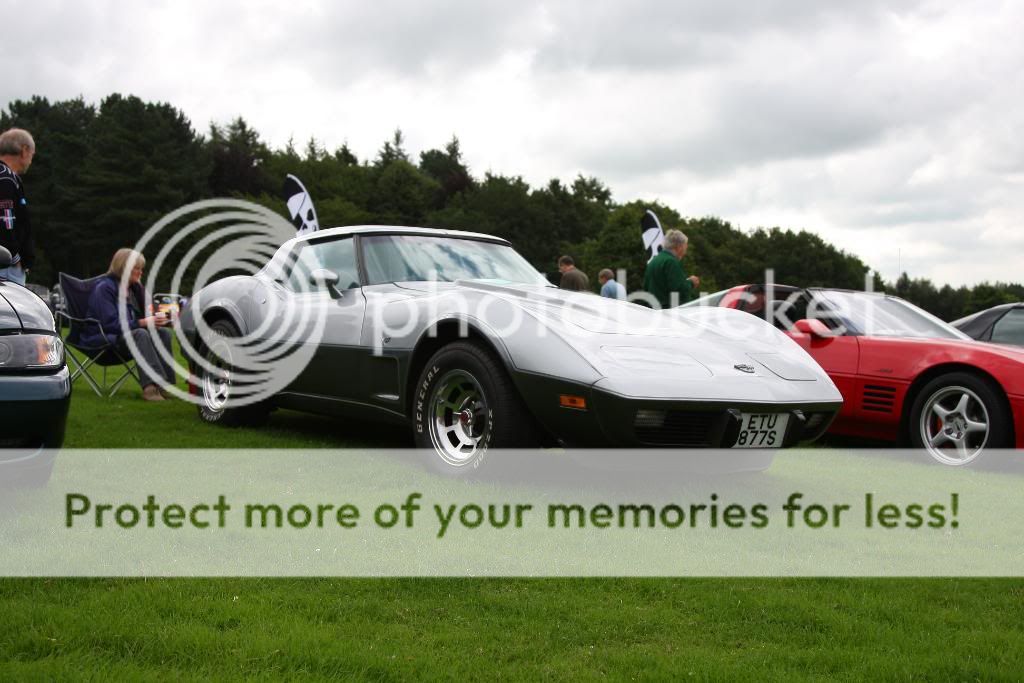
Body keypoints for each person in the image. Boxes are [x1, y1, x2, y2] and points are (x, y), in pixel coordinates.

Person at [81, 248, 175, 402]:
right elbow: (110, 324)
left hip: (127, 337)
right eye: (136, 269)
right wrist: (143, 322)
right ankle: (150, 389)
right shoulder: (104, 288)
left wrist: (158, 319)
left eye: (141, 269)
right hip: (105, 339)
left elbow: (149, 311)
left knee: (163, 333)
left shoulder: (134, 289)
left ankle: (164, 386)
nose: (140, 272)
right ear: (123, 268)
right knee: (141, 333)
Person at [0, 128, 36, 285]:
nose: (30, 161)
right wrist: (15, 258)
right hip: (6, 266)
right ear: (24, 150)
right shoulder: (6, 178)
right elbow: (5, 220)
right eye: (32, 155)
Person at [642, 229, 700, 308]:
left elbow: (646, 287)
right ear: (679, 247)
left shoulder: (654, 261)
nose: (685, 252)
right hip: (667, 312)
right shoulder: (671, 262)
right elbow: (679, 289)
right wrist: (691, 282)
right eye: (685, 247)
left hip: (652, 311)